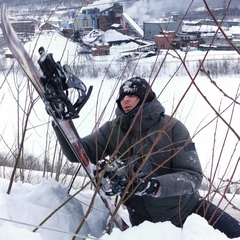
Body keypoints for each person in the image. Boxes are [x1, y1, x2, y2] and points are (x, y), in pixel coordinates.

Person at [53, 77, 240, 238]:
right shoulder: (113, 130)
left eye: (132, 96)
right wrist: (62, 121)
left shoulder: (173, 128)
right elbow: (78, 153)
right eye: (122, 97)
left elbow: (193, 177)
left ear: (145, 98)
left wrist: (153, 186)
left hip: (192, 213)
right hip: (146, 227)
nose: (125, 100)